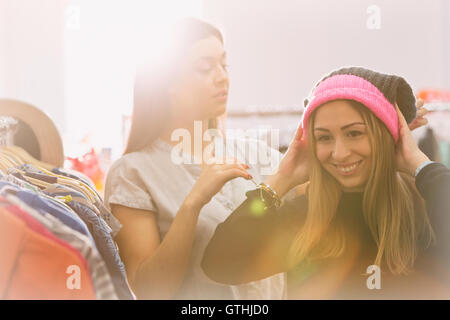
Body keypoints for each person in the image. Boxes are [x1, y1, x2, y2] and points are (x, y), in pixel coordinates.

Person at [201, 67, 450, 299]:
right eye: (324, 138)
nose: (339, 153)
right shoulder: (308, 218)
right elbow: (221, 264)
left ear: (386, 136)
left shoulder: (426, 208)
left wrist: (422, 167)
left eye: (354, 133)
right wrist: (279, 181)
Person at [104, 18, 288, 299]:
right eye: (205, 67)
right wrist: (193, 204)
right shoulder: (132, 173)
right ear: (165, 83)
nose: (222, 76)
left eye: (224, 65)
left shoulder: (258, 154)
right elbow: (148, 291)